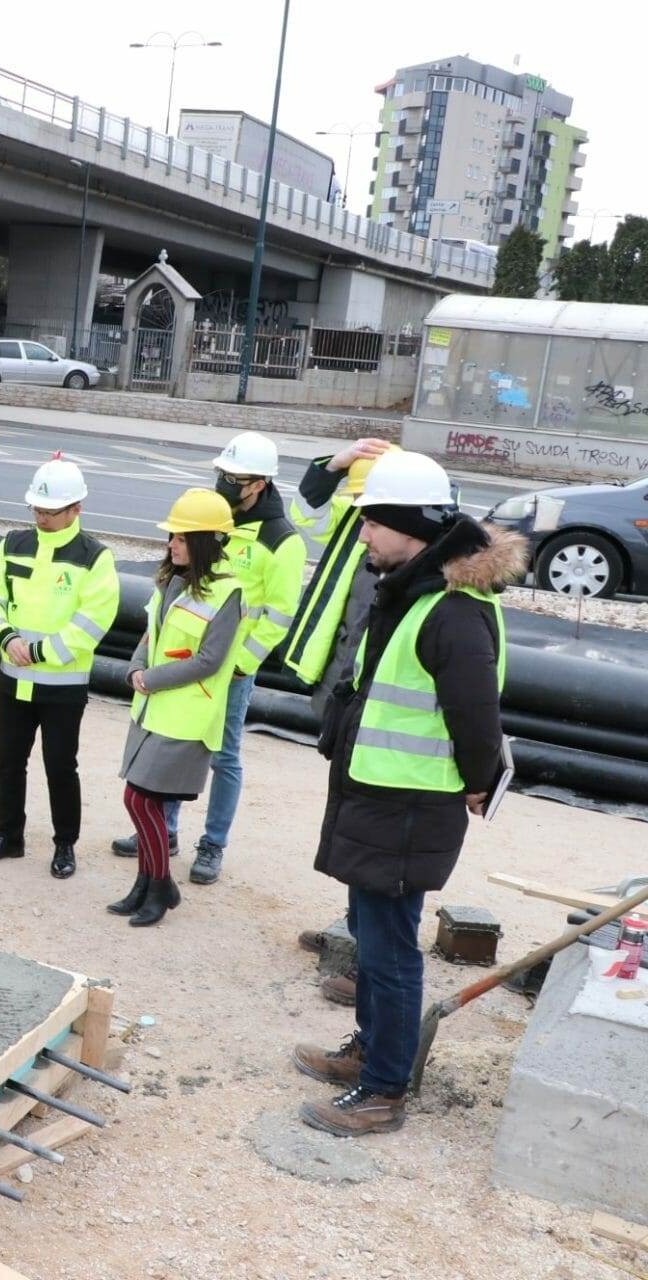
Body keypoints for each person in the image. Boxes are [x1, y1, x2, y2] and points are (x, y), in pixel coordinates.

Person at [293, 451, 524, 1137]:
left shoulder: (451, 612)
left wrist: (481, 782)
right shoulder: (412, 592)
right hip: (380, 797)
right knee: (370, 933)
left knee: (391, 951)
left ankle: (384, 1089)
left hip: (407, 806)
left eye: (372, 523)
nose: (363, 535)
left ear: (410, 528)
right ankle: (369, 1049)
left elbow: (476, 717)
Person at [111, 431, 303, 885]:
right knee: (170, 740)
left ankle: (212, 845)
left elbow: (278, 614)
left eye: (234, 478)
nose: (224, 483)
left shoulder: (280, 541)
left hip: (227, 670)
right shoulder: (218, 519)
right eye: (222, 474)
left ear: (259, 484)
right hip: (180, 657)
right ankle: (165, 830)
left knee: (224, 756)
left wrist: (242, 664)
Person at [0, 455, 120, 878]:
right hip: (14, 680)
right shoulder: (12, 544)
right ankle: (8, 835)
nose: (42, 518)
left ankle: (64, 843)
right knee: (8, 760)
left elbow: (90, 624)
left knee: (60, 765)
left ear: (77, 509)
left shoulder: (96, 558)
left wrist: (36, 652)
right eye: (37, 509)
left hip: (62, 686)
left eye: (51, 512)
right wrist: (6, 638)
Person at [109, 488, 244, 928]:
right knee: (138, 800)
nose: (171, 544)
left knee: (140, 798)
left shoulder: (228, 593)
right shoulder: (170, 580)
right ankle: (150, 884)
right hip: (152, 710)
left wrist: (151, 679)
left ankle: (158, 884)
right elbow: (151, 633)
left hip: (187, 715)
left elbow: (211, 660)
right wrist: (134, 668)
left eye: (180, 539)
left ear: (204, 541)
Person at [286, 439, 396, 970]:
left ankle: (362, 947)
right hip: (343, 699)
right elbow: (306, 510)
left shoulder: (416, 574)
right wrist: (335, 465)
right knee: (348, 823)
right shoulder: (357, 540)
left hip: (378, 721)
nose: (361, 525)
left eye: (370, 515)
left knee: (369, 833)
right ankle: (353, 929)